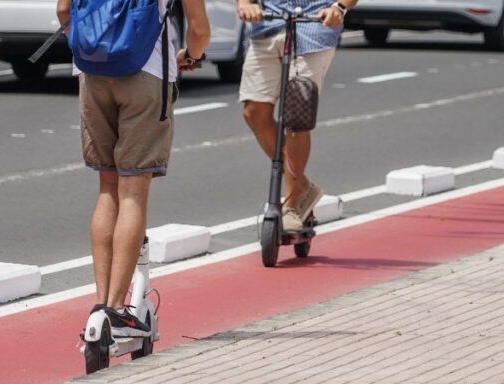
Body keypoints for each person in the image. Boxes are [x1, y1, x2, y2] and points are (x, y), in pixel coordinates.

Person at [56, 0, 210, 336]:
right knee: (132, 191)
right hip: (145, 74)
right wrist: (191, 56)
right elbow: (199, 29)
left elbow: (64, 9)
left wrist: (86, 44)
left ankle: (99, 305)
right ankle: (115, 311)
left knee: (107, 187)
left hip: (92, 73)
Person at [237, 0, 356, 231]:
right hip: (267, 24)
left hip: (314, 27)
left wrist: (339, 7)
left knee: (296, 118)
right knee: (254, 110)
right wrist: (245, 3)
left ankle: (292, 203)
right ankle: (301, 184)